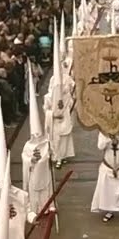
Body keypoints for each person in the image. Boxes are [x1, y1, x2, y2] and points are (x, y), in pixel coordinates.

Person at [20, 68, 55, 219]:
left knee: (46, 189)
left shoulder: (46, 143)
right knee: (34, 190)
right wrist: (30, 160)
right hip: (34, 172)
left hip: (45, 173)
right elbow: (24, 158)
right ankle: (34, 208)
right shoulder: (28, 146)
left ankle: (48, 205)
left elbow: (51, 154)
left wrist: (51, 156)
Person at [43, 28, 76, 169]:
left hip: (65, 117)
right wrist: (52, 115)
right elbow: (46, 108)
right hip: (54, 120)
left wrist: (69, 107)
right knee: (55, 139)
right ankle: (56, 157)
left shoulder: (67, 83)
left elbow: (73, 94)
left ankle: (62, 156)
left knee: (64, 139)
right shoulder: (49, 95)